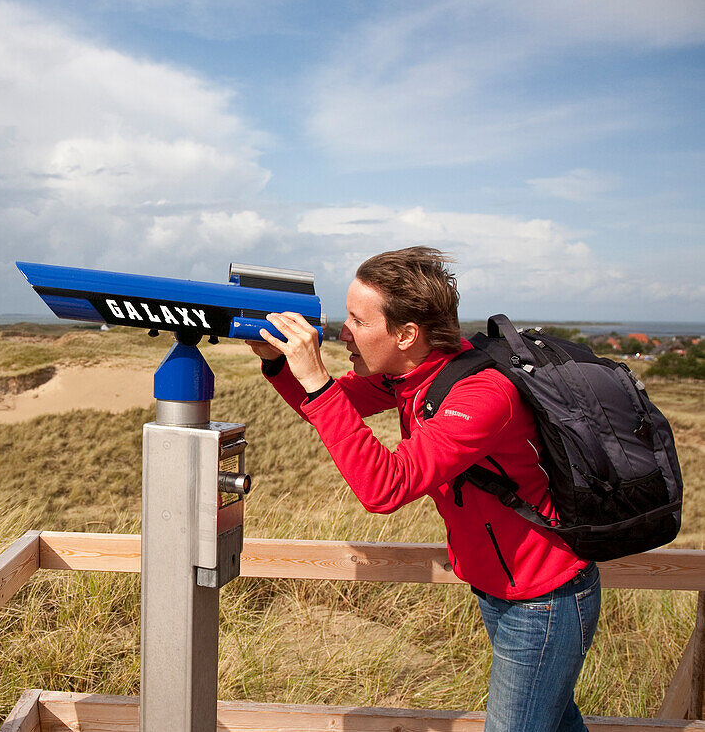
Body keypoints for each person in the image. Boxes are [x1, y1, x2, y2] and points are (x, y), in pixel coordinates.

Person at [251, 246, 600, 732]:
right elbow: (330, 405)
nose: (341, 332)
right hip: (500, 588)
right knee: (553, 721)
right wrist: (277, 365)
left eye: (357, 319)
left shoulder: (481, 395)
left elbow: (383, 489)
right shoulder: (410, 376)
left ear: (407, 334)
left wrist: (315, 376)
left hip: (544, 598)